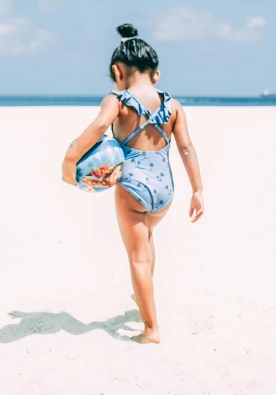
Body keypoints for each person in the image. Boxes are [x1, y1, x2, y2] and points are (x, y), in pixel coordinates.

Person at [61, 23, 205, 344]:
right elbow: (186, 148)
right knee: (148, 240)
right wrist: (197, 190)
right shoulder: (174, 105)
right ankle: (143, 297)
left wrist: (71, 159)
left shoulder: (118, 100)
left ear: (117, 71)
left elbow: (99, 127)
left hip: (132, 190)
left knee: (137, 256)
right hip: (165, 191)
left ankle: (151, 329)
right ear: (156, 75)